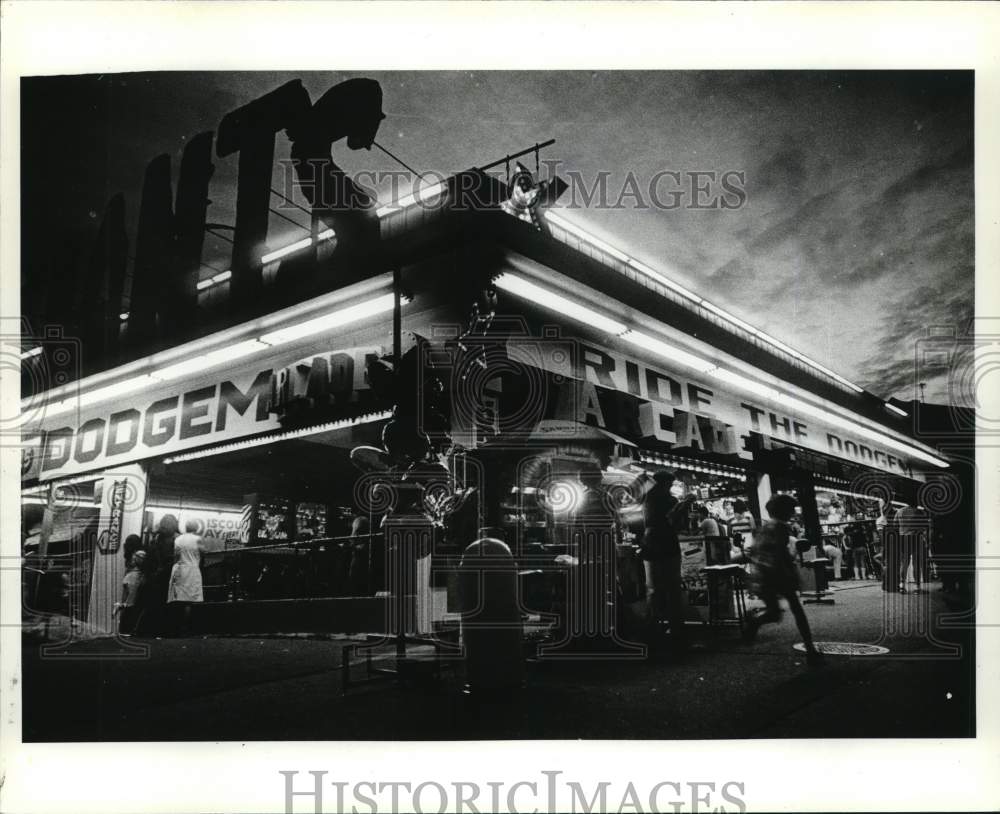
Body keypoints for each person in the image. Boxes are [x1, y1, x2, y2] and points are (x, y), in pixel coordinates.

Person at [743, 494, 823, 666]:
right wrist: (791, 572)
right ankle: (811, 651)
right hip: (778, 574)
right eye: (791, 509)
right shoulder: (781, 527)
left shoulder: (765, 527)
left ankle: (755, 621)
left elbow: (758, 551)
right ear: (783, 511)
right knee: (796, 611)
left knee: (775, 613)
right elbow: (780, 552)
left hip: (764, 574)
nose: (793, 513)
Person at [640, 471, 695, 650]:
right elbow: (675, 523)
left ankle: (652, 631)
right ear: (665, 484)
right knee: (672, 588)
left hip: (650, 545)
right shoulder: (669, 501)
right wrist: (685, 504)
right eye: (669, 484)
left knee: (653, 590)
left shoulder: (646, 499)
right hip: (667, 545)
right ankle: (676, 631)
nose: (669, 488)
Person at [166, 519, 205, 635]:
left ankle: (174, 627)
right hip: (192, 570)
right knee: (189, 601)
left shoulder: (178, 539)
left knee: (177, 600)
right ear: (196, 528)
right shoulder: (198, 539)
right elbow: (204, 552)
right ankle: (186, 628)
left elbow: (175, 556)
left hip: (178, 568)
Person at [143, 514, 179, 634]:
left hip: (155, 579)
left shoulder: (155, 540)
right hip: (170, 579)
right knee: (169, 606)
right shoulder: (177, 541)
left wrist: (151, 574)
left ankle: (153, 630)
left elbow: (147, 562)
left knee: (155, 605)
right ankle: (167, 630)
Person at [114, 549, 146, 636]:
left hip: (128, 609)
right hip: (138, 609)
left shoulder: (129, 576)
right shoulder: (145, 576)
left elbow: (124, 597)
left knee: (124, 634)